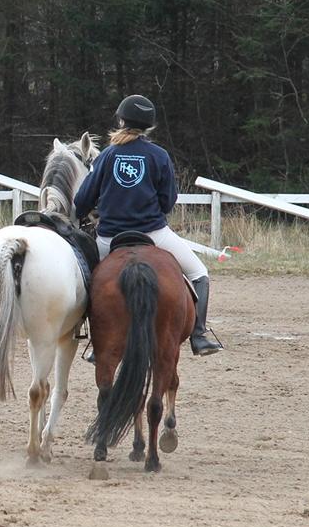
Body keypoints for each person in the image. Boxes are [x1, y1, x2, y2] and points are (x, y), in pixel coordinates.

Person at [74, 95, 223, 356]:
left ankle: (95, 342)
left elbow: (82, 200)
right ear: (149, 126)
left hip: (109, 239)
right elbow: (168, 201)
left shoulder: (106, 156)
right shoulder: (160, 156)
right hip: (154, 234)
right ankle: (198, 335)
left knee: (86, 280)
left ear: (121, 121)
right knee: (199, 273)